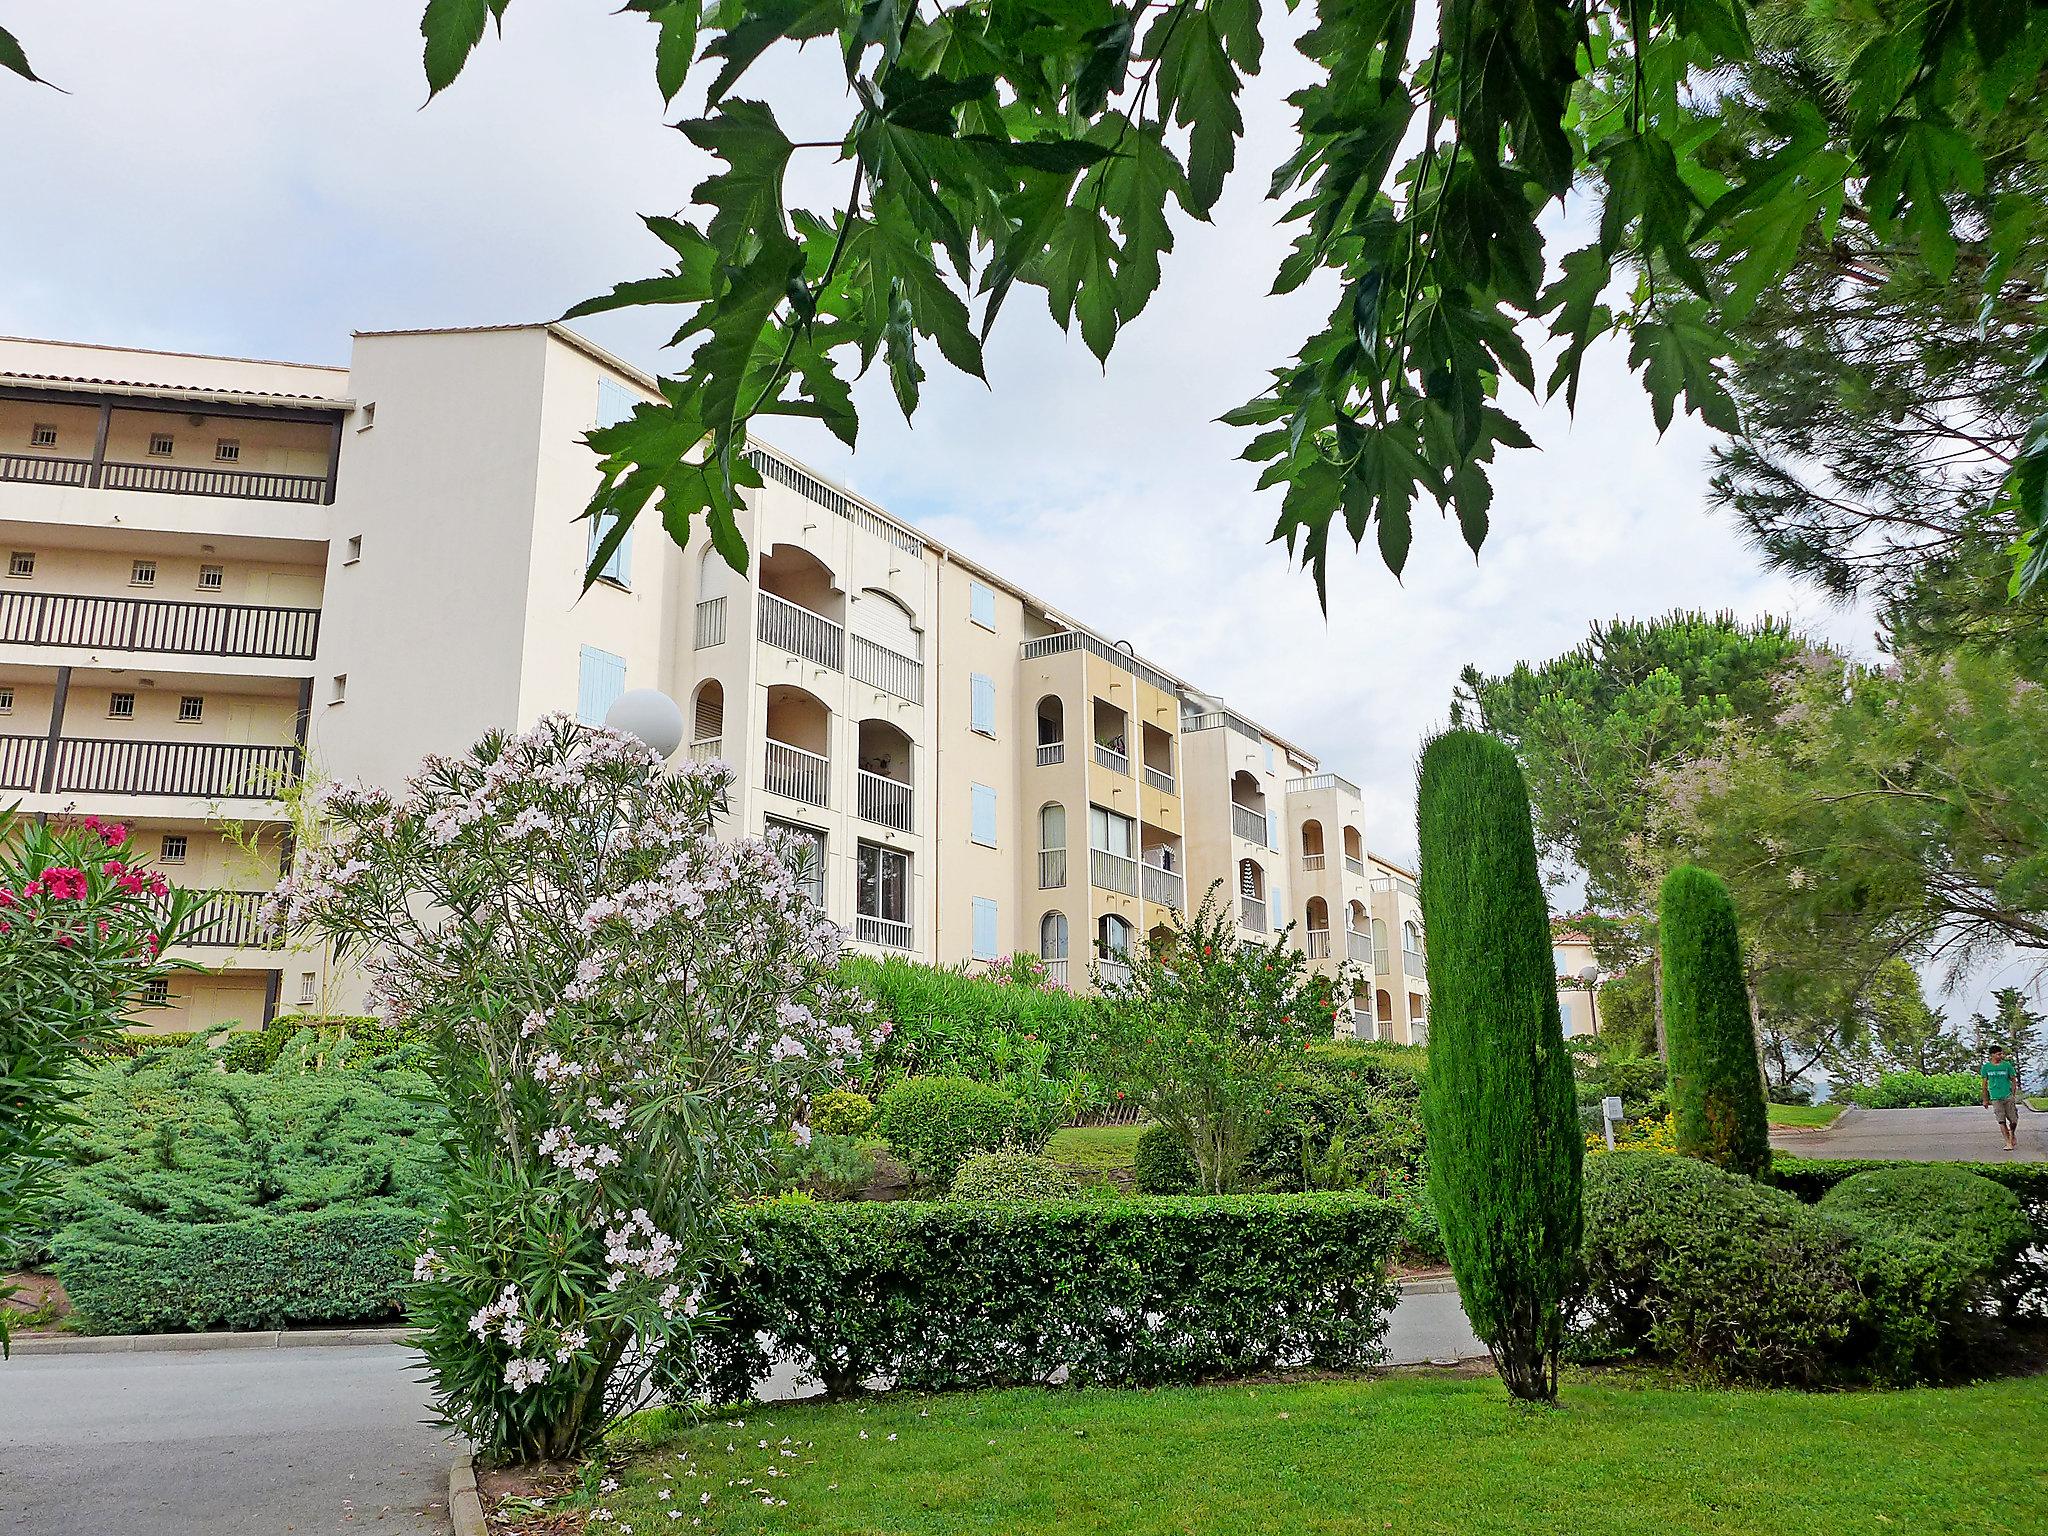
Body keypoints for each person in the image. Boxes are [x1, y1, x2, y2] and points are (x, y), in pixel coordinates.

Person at [1978, 1045, 2021, 1152]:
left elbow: (2013, 1080)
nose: (2001, 1055)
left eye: (2001, 1053)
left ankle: (2012, 1134)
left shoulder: (2007, 1066)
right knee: (2001, 1121)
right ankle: (2008, 1142)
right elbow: (1984, 1085)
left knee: (2013, 1121)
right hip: (1995, 1097)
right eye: (1998, 1054)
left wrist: (2013, 1093)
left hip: (2007, 1096)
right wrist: (1985, 1099)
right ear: (1992, 1055)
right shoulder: (1986, 1067)